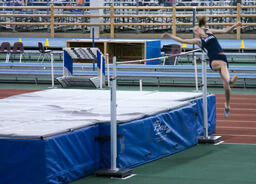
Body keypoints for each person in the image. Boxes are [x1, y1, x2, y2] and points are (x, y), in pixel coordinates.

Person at [162, 16, 242, 118]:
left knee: (227, 88)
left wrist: (236, 25)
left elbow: (225, 30)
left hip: (223, 57)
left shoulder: (210, 32)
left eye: (196, 28)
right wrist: (169, 35)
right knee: (223, 66)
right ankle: (229, 80)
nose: (196, 30)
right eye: (194, 30)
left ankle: (227, 105)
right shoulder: (198, 41)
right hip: (214, 61)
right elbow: (182, 40)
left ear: (200, 28)